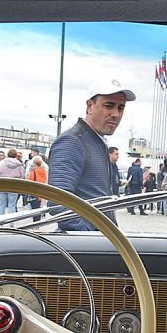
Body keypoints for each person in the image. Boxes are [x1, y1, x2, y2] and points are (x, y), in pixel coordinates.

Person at [47, 78, 135, 231]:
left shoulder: (96, 142)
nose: (115, 114)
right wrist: (89, 234)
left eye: (120, 108)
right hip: (84, 242)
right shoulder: (72, 142)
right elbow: (58, 202)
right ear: (89, 106)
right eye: (109, 105)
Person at [0, 148, 26, 214]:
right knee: (12, 205)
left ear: (7, 154)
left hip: (2, 184)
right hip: (14, 185)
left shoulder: (1, 163)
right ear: (15, 155)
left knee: (1, 204)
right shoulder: (19, 164)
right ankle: (11, 220)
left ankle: (0, 219)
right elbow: (23, 176)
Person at [26, 155, 48, 221]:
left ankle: (35, 222)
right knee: (39, 207)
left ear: (34, 163)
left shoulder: (33, 172)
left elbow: (30, 181)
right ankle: (38, 221)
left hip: (34, 191)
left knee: (34, 209)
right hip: (41, 191)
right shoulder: (44, 171)